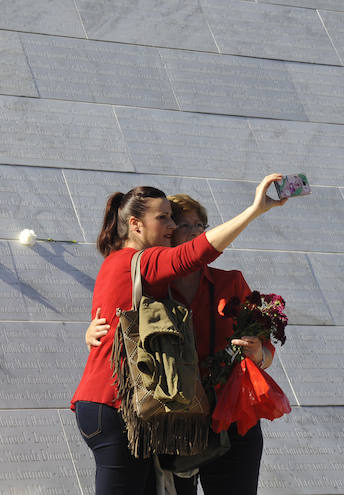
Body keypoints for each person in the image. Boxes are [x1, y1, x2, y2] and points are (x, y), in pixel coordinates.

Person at [71, 174, 286, 495]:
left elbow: (265, 351)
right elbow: (193, 255)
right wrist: (254, 210)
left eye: (201, 225)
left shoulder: (217, 282)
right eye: (170, 220)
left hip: (204, 416)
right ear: (135, 224)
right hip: (136, 408)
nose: (184, 229)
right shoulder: (146, 267)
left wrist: (259, 353)